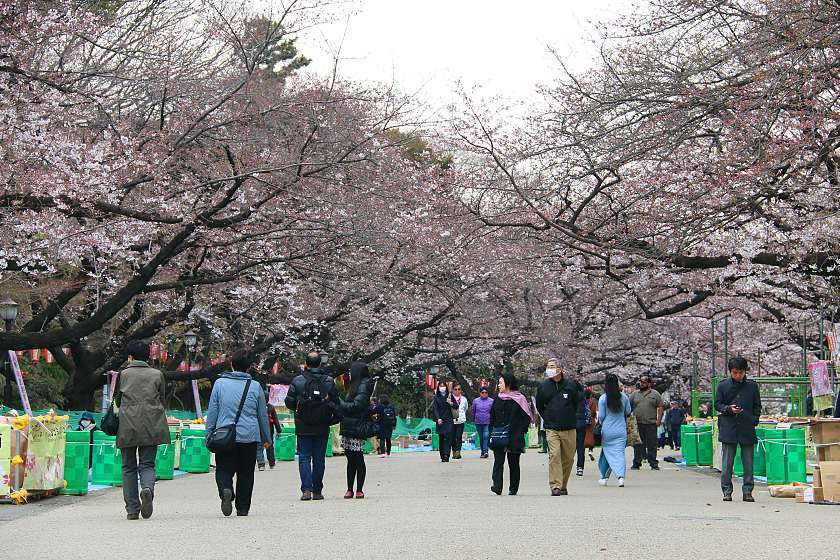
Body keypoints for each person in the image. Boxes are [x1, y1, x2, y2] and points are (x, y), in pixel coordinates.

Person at [206, 348, 271, 516]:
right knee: (246, 473)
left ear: (231, 364)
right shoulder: (255, 386)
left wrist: (209, 434)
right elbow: (262, 415)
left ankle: (226, 490)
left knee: (223, 469)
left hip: (224, 435)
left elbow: (213, 411)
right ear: (249, 367)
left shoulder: (219, 384)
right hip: (249, 436)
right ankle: (242, 508)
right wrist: (266, 438)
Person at [115, 340, 170, 520]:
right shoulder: (157, 374)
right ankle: (147, 489)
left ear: (130, 357)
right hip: (151, 424)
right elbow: (162, 398)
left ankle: (132, 510)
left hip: (128, 425)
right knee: (147, 464)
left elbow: (117, 400)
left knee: (128, 467)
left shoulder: (123, 374)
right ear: (148, 356)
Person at [285, 350, 342, 501]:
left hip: (303, 424)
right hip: (322, 424)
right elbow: (336, 403)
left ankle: (306, 490)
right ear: (320, 363)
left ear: (306, 364)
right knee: (319, 458)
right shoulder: (329, 381)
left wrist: (301, 409)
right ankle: (317, 490)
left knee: (304, 457)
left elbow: (289, 402)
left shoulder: (298, 380)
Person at [716, 356, 762, 502]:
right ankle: (726, 491)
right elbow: (717, 404)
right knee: (727, 463)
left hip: (747, 426)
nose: (737, 375)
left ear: (745, 372)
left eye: (740, 373)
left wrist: (755, 419)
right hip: (729, 427)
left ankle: (748, 491)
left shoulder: (752, 386)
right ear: (730, 372)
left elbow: (757, 405)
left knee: (748, 462)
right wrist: (728, 409)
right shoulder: (723, 386)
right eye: (735, 372)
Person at [535, 358, 580, 496]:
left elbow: (577, 403)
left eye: (552, 366)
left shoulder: (571, 386)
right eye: (548, 366)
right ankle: (555, 485)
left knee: (568, 458)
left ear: (559, 369)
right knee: (554, 455)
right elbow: (539, 405)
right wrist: (547, 417)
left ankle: (563, 484)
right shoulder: (543, 386)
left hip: (569, 427)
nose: (549, 369)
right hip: (552, 427)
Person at [489, 373, 532, 495]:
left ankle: (513, 488)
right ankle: (497, 486)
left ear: (508, 384)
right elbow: (492, 416)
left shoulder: (519, 399)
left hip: (514, 436)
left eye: (500, 382)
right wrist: (491, 431)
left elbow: (526, 418)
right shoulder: (497, 398)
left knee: (513, 463)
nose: (498, 385)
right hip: (498, 434)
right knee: (498, 461)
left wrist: (520, 431)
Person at [340, 361, 376, 499]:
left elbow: (356, 405)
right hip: (350, 426)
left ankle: (359, 489)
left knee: (358, 458)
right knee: (350, 459)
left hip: (357, 427)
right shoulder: (355, 386)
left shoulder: (364, 386)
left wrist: (339, 402)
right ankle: (349, 488)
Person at [597, 373, 632, 486]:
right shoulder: (624, 397)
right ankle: (620, 477)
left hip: (607, 430)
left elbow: (601, 416)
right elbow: (628, 412)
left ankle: (604, 477)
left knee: (607, 453)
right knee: (619, 454)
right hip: (621, 430)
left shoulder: (603, 398)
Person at [629, 375, 664, 470]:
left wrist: (659, 420)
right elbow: (628, 407)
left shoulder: (655, 394)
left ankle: (653, 463)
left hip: (651, 424)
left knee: (652, 444)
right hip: (637, 423)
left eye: (644, 382)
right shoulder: (634, 394)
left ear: (649, 384)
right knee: (637, 444)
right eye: (640, 382)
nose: (641, 384)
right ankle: (636, 463)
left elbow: (660, 407)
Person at [432, 382, 458, 462]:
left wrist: (451, 403)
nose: (442, 387)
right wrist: (438, 418)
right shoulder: (436, 397)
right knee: (442, 438)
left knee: (449, 437)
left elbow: (456, 406)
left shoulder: (449, 396)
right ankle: (442, 455)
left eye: (443, 386)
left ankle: (447, 455)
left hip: (449, 419)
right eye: (440, 386)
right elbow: (435, 409)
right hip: (440, 420)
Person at [257, 399, 283, 471]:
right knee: (269, 445)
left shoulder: (257, 406)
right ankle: (271, 463)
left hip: (259, 429)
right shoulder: (271, 407)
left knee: (259, 446)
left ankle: (261, 464)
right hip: (269, 430)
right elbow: (275, 420)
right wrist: (279, 431)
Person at [574, 385, 594, 476]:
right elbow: (588, 412)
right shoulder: (583, 399)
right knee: (580, 447)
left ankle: (566, 465)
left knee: (569, 447)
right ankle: (580, 468)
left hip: (571, 424)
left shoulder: (570, 397)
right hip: (582, 424)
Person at [472, 387, 494, 458]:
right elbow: (473, 411)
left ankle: (485, 452)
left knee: (486, 436)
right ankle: (482, 451)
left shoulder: (491, 401)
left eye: (486, 392)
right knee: (481, 437)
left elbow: (493, 412)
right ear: (480, 393)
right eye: (482, 392)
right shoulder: (476, 401)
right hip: (478, 422)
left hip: (487, 422)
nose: (484, 394)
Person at [451, 384, 469, 459]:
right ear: (452, 390)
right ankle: (454, 451)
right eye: (455, 389)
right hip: (451, 421)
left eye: (459, 389)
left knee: (458, 436)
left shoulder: (464, 399)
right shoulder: (450, 398)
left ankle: (458, 452)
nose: (457, 391)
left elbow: (465, 408)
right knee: (452, 437)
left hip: (461, 420)